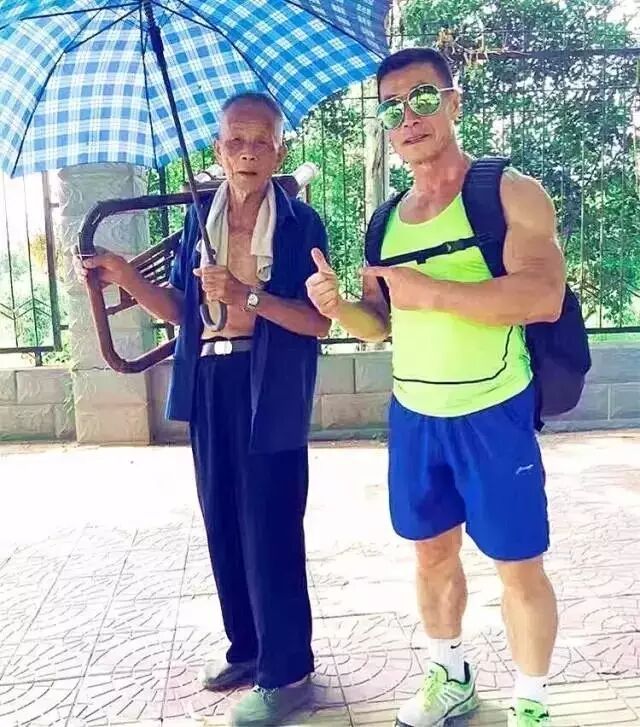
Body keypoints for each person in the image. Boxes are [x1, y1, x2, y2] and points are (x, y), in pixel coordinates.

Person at [306, 47, 566, 727]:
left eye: (422, 98)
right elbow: (381, 324)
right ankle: (450, 677)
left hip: (493, 410)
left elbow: (542, 296)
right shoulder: (385, 220)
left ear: (453, 103)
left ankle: (532, 703)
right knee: (430, 554)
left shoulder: (507, 192)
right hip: (415, 414)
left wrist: (434, 291)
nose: (408, 118)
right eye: (391, 108)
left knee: (518, 562)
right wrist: (339, 307)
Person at [76, 92, 331, 726]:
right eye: (235, 142)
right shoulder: (200, 219)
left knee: (270, 523)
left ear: (279, 152)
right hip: (211, 379)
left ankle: (288, 671)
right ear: (218, 149)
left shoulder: (301, 225)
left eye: (261, 142)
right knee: (222, 518)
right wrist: (122, 275)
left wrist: (248, 296)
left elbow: (317, 322)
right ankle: (247, 649)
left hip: (269, 383)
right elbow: (183, 312)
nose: (247, 153)